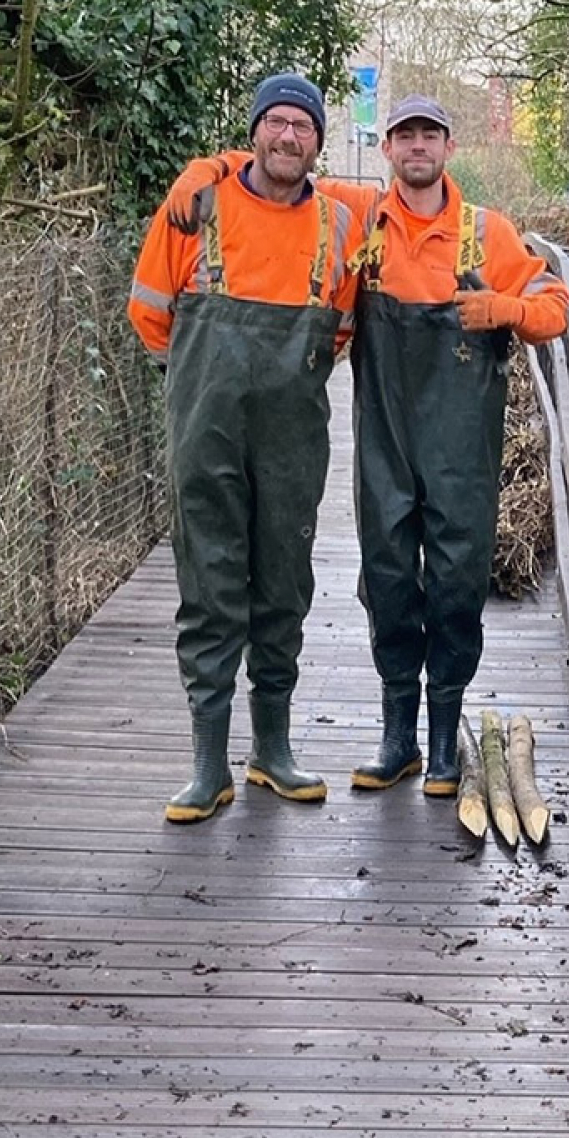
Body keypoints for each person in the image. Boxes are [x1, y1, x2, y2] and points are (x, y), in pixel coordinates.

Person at [164, 93, 569, 797]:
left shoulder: (488, 233)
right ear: (386, 150)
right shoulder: (359, 220)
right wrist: (207, 167)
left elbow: (556, 308)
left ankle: (445, 743)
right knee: (386, 578)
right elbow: (281, 167)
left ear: (449, 148)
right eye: (404, 136)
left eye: (430, 136)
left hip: (460, 452)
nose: (417, 147)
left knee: (455, 581)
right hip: (383, 445)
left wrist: (504, 309)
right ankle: (397, 741)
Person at [127, 73, 365, 824]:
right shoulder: (198, 205)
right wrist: (203, 379)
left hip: (292, 441)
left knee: (284, 583)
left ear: (317, 143)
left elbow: (344, 332)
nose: (288, 137)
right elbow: (149, 314)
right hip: (207, 430)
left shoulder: (339, 226)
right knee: (209, 583)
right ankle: (207, 766)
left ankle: (272, 749)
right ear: (254, 132)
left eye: (303, 127)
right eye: (277, 123)